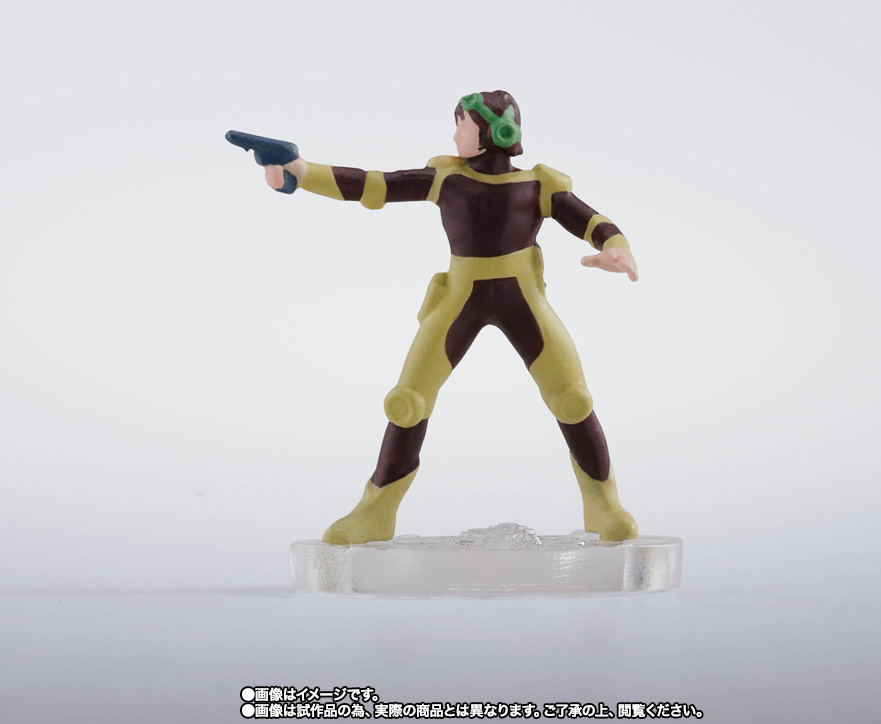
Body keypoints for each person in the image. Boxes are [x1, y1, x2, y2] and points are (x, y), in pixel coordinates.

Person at [264, 91, 639, 544]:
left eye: (460, 125)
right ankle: (376, 510)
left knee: (572, 399)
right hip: (461, 297)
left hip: (524, 299)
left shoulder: (539, 185)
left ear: (493, 132)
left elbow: (592, 221)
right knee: (408, 402)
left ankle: (603, 503)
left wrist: (616, 248)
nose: (454, 135)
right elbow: (373, 185)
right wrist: (302, 172)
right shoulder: (447, 178)